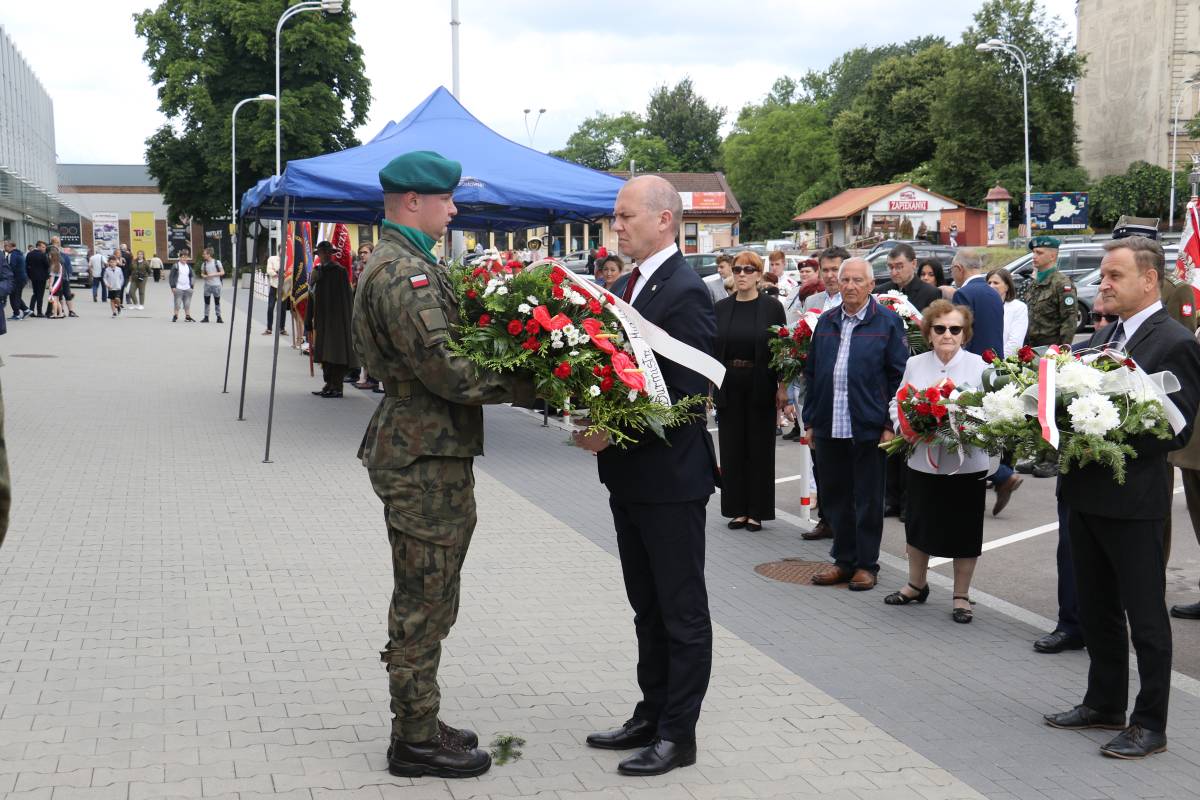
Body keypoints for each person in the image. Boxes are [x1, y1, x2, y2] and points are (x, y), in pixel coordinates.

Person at [352, 151, 536, 779]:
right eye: (446, 200)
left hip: (430, 450)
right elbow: (449, 371)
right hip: (421, 455)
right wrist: (535, 381)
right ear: (412, 201)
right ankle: (413, 741)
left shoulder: (410, 263)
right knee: (424, 597)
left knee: (435, 592)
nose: (453, 210)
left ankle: (423, 719)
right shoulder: (404, 274)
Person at [573, 175, 718, 777]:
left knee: (680, 612)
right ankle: (651, 712)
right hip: (631, 479)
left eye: (625, 216)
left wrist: (613, 428)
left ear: (664, 219)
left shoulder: (684, 290)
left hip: (670, 480)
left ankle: (678, 736)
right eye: (615, 217)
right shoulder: (631, 284)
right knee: (647, 607)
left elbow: (690, 391)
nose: (617, 226)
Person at [1045, 236, 1200, 759]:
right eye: (1105, 276)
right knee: (1096, 609)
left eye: (1113, 275)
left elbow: (1175, 431)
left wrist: (1106, 432)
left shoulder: (1174, 341)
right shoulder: (1104, 336)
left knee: (1145, 616)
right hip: (1086, 495)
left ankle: (1150, 723)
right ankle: (1104, 701)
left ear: (1149, 280)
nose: (1103, 284)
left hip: (1134, 502)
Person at [803, 257, 908, 590]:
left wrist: (889, 424)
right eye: (844, 279)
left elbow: (898, 377)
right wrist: (810, 421)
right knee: (835, 498)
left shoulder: (888, 323)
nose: (848, 285)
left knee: (867, 499)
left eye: (856, 280)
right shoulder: (827, 321)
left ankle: (866, 564)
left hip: (868, 426)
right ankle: (843, 560)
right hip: (830, 425)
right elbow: (813, 373)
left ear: (871, 285)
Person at [884, 301, 988, 622]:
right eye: (940, 329)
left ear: (964, 334)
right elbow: (898, 400)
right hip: (922, 461)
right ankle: (916, 584)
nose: (947, 335)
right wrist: (905, 424)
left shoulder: (980, 367)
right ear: (928, 333)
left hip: (966, 465)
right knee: (918, 523)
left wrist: (966, 424)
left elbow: (994, 410)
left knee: (964, 530)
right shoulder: (916, 364)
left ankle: (960, 596)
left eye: (955, 329)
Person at [714, 251, 786, 531]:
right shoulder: (721, 308)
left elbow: (782, 350)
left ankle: (757, 510)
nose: (742, 274)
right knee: (732, 448)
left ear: (758, 274)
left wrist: (783, 386)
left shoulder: (771, 308)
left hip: (760, 381)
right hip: (728, 382)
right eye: (737, 270)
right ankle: (736, 509)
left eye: (748, 269)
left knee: (759, 448)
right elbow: (714, 348)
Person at [1020, 235, 1080, 478]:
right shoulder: (1034, 283)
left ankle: (1053, 456)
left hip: (1052, 351)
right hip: (1033, 351)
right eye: (1034, 252)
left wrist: (1063, 352)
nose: (1035, 256)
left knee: (1052, 407)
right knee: (1035, 405)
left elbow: (1068, 321)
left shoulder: (1062, 284)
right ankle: (1038, 454)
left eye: (1040, 253)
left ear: (1053, 255)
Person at [305, 241, 356, 398]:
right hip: (322, 318)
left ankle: (337, 386)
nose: (325, 254)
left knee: (336, 353)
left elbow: (346, 297)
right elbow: (312, 296)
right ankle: (328, 384)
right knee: (324, 354)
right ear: (318, 254)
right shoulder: (317, 271)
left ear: (332, 253)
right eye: (322, 252)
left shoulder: (339, 271)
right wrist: (312, 282)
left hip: (337, 320)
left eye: (328, 251)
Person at [875, 243, 939, 311]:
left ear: (914, 264)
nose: (894, 273)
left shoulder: (931, 293)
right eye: (890, 267)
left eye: (899, 267)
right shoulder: (880, 291)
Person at [986, 268, 1029, 357]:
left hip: (1005, 362)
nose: (991, 286)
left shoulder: (1018, 307)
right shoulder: (982, 306)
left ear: (1007, 286)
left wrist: (996, 360)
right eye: (989, 283)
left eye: (996, 283)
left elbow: (1015, 342)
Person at [3, 241, 30, 320]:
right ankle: (26, 310)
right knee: (16, 296)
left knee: (14, 297)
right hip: (22, 278)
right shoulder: (18, 253)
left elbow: (12, 267)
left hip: (17, 279)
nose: (4, 247)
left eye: (5, 246)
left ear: (11, 246)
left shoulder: (13, 255)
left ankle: (16, 314)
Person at [263, 253, 288, 337]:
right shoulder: (272, 259)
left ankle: (282, 328)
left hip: (284, 287)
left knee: (282, 309)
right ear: (279, 249)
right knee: (270, 307)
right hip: (274, 286)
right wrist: (278, 273)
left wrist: (279, 272)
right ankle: (269, 328)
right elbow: (269, 270)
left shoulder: (288, 259)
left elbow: (288, 272)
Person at [199, 247, 225, 323]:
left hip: (216, 285)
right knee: (206, 302)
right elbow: (202, 273)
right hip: (207, 285)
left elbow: (222, 272)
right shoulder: (204, 264)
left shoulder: (217, 262)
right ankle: (206, 317)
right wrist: (203, 275)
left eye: (204, 254)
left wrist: (212, 274)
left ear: (209, 254)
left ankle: (219, 317)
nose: (203, 255)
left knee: (217, 301)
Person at [169, 249, 196, 322]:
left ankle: (187, 316)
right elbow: (171, 277)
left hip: (187, 288)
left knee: (187, 303)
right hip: (178, 288)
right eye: (183, 257)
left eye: (186, 257)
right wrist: (173, 286)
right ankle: (175, 316)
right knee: (177, 303)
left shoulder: (188, 267)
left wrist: (192, 286)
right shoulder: (176, 266)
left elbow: (192, 276)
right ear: (180, 258)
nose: (184, 259)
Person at [25, 241, 49, 318]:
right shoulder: (42, 255)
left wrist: (29, 276)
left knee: (35, 293)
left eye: (44, 247)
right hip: (42, 277)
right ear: (38, 246)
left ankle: (31, 310)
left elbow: (27, 266)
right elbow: (47, 265)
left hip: (33, 277)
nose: (44, 249)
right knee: (40, 295)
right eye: (43, 247)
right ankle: (39, 312)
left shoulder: (29, 254)